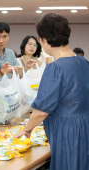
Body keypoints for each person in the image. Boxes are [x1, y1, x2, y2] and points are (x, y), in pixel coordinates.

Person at [13, 13, 89, 170]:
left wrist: (26, 130)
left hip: (67, 131)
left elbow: (42, 110)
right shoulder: (83, 62)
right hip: (84, 126)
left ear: (43, 40)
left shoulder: (55, 67)